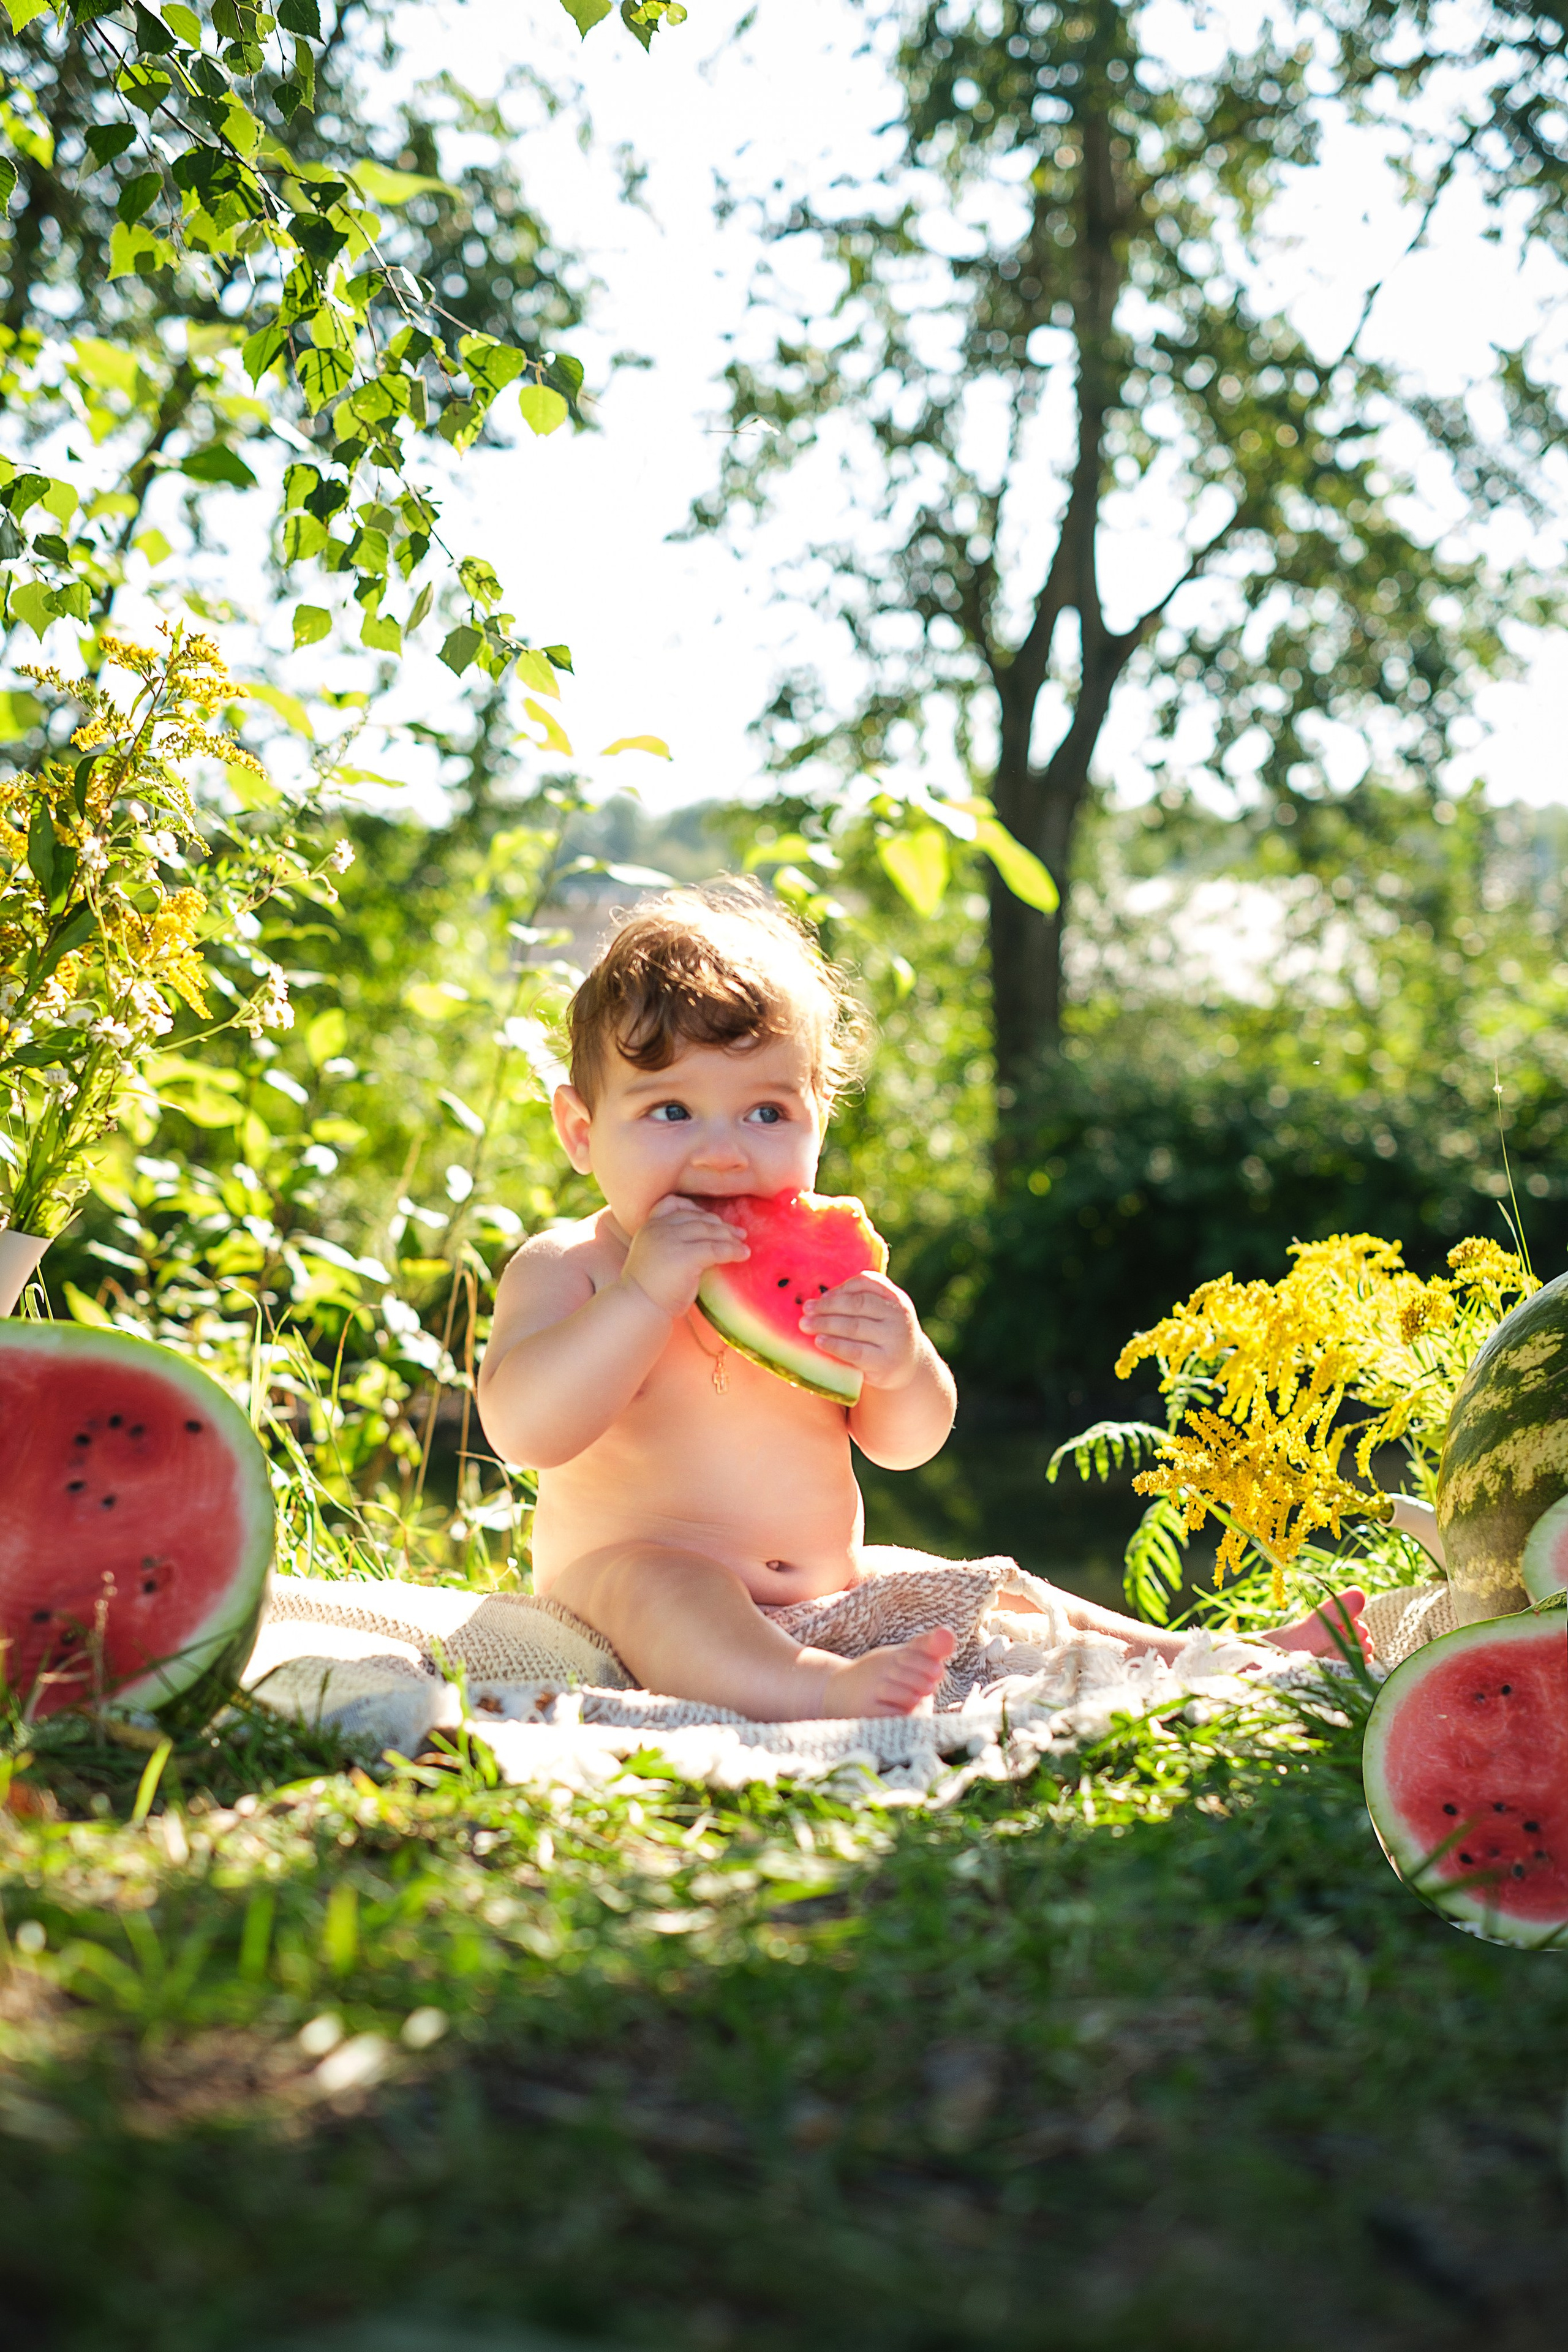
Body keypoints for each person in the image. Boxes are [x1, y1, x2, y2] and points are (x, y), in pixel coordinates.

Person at [477, 883, 1367, 1721]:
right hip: (620, 1594)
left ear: (818, 1121)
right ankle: (813, 1692)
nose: (723, 1154)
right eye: (671, 1112)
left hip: (834, 1585)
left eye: (765, 1114)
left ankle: (1208, 1651)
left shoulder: (824, 1268)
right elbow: (526, 1431)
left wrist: (901, 1365)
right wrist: (640, 1299)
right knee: (668, 1586)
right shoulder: (573, 1269)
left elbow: (908, 1448)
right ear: (582, 1131)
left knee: (990, 1582)